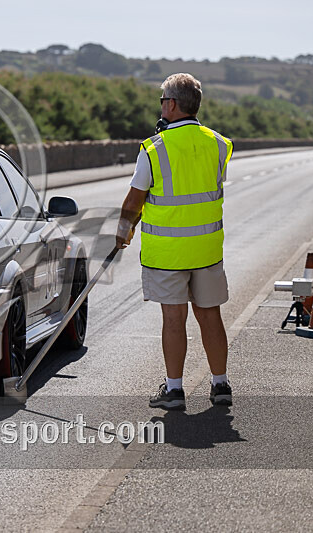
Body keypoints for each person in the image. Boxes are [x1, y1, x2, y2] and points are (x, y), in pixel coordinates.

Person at [116, 73, 233, 411]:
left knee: (173, 319)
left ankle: (175, 390)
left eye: (162, 100)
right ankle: (220, 384)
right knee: (211, 316)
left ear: (171, 104)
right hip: (207, 250)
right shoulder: (219, 144)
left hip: (167, 253)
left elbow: (134, 201)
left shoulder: (153, 149)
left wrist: (124, 231)